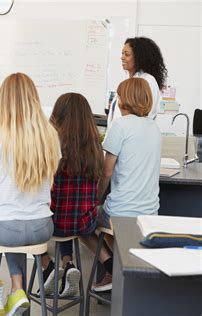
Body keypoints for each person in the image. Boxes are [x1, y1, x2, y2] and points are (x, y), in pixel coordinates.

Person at [0, 73, 60, 316]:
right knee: (14, 231)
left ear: (5, 100)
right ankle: (17, 291)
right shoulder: (49, 135)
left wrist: (1, 211)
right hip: (43, 226)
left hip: (9, 227)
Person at [87, 77, 161, 292]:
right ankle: (121, 269)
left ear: (124, 100)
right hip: (149, 213)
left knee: (83, 221)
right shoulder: (154, 128)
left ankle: (112, 269)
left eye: (118, 95)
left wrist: (95, 201)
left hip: (121, 212)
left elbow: (106, 171)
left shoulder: (120, 125)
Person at [38, 93, 105, 297]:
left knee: (35, 220)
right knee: (69, 215)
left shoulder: (51, 147)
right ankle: (68, 265)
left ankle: (48, 266)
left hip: (55, 222)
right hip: (84, 222)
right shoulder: (95, 147)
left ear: (57, 114)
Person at [107, 37, 168, 126]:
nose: (122, 57)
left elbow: (144, 116)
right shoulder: (127, 81)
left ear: (139, 57)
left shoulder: (148, 81)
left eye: (127, 54)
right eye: (122, 53)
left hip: (130, 136)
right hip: (120, 134)